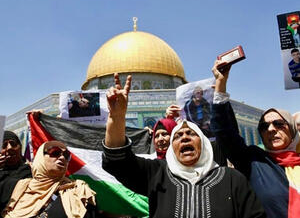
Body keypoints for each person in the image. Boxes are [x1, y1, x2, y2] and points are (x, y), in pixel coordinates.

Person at [102, 73, 266, 218]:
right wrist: (116, 117)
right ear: (171, 148)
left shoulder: (231, 180)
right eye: (178, 136)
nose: (185, 137)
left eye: (192, 134)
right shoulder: (158, 174)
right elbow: (118, 161)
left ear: (204, 143)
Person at [211, 60, 300, 218]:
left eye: (279, 124)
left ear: (292, 129)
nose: (271, 129)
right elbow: (225, 133)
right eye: (264, 127)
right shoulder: (255, 163)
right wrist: (220, 86)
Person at [2, 140, 96, 218]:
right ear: (40, 158)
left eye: (66, 155)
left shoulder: (78, 191)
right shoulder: (17, 188)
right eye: (55, 152)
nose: (62, 158)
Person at [0, 131, 32, 213]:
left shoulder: (32, 170)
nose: (10, 147)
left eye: (13, 144)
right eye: (4, 145)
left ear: (20, 147)